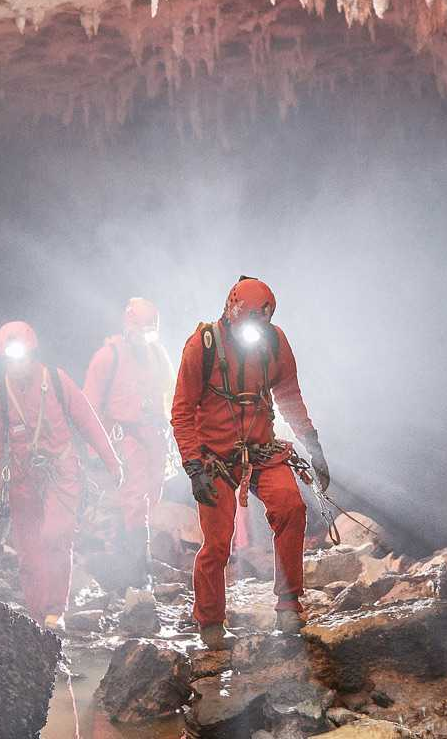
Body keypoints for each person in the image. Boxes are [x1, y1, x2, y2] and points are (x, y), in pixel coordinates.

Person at [171, 277, 329, 649]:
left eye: (261, 327)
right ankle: (210, 622)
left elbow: (288, 394)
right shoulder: (202, 345)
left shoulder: (273, 341)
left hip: (260, 451)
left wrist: (313, 445)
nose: (254, 333)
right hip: (216, 459)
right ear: (231, 312)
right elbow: (182, 411)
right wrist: (193, 466)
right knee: (217, 543)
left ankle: (289, 604)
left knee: (291, 507)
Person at [0, 319, 122, 629]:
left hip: (61, 472)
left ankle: (55, 610)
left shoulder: (56, 381)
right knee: (28, 552)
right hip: (23, 478)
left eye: (21, 358)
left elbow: (87, 420)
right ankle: (37, 617)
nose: (17, 365)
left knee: (55, 536)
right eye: (11, 360)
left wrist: (111, 460)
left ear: (32, 353)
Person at [82, 297, 174, 577]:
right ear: (128, 326)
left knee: (153, 494)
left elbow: (171, 393)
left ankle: (131, 560)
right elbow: (89, 408)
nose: (144, 337)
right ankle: (137, 568)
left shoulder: (157, 355)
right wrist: (94, 450)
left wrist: (176, 433)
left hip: (155, 435)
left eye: (150, 332)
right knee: (134, 498)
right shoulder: (108, 357)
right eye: (141, 331)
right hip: (124, 436)